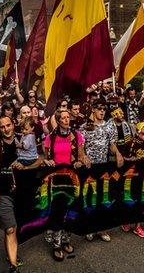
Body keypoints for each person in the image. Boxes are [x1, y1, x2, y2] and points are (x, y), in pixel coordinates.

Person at [0, 116, 40, 272]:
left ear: (13, 125)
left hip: (24, 191)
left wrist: (25, 167)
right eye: (2, 127)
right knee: (10, 229)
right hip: (3, 192)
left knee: (17, 226)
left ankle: (10, 253)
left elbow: (40, 158)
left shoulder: (25, 140)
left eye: (9, 125)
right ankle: (13, 267)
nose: (6, 129)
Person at [43, 109, 89, 261]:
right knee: (58, 211)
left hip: (73, 179)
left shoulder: (77, 136)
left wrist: (78, 161)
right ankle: (56, 245)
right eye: (62, 118)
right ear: (58, 120)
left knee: (70, 210)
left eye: (68, 117)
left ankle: (66, 240)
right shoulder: (51, 137)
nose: (66, 120)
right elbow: (46, 156)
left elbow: (81, 156)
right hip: (57, 179)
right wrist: (47, 161)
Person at [80, 99, 124, 243]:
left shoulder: (109, 126)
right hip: (89, 168)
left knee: (103, 197)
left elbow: (111, 143)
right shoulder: (85, 126)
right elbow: (79, 145)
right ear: (93, 109)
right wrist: (84, 156)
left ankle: (102, 229)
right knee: (91, 197)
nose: (102, 111)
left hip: (104, 167)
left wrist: (117, 153)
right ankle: (90, 228)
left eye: (103, 109)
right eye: (99, 108)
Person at [120, 122, 144, 238]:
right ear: (137, 132)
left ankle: (137, 226)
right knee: (129, 199)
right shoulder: (130, 143)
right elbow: (123, 158)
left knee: (140, 199)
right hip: (130, 177)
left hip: (143, 176)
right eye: (143, 133)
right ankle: (126, 220)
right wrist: (130, 159)